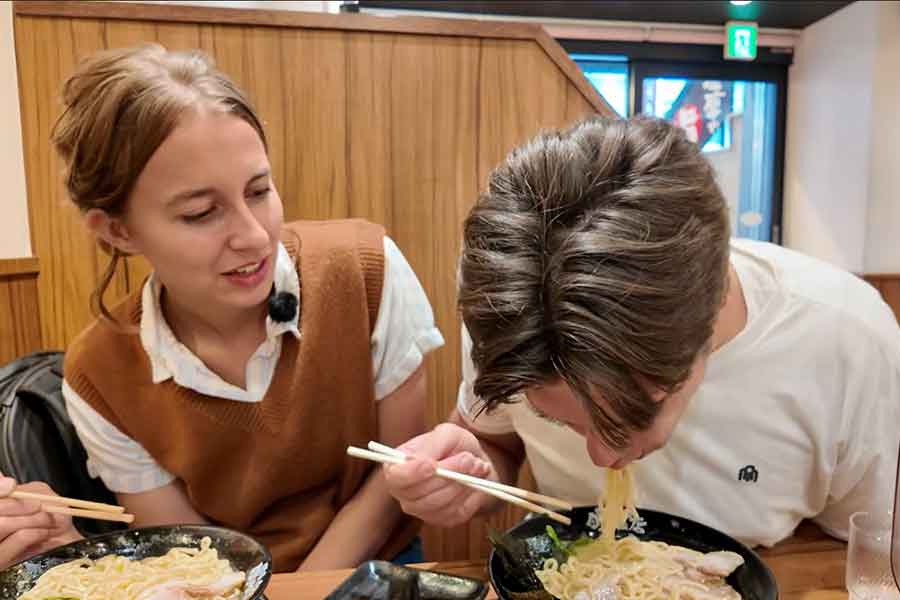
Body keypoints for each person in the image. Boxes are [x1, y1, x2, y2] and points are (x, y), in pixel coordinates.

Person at [0, 44, 444, 571]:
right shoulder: (99, 374)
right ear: (117, 231)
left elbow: (394, 474)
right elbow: (186, 549)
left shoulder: (366, 270)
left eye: (259, 190)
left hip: (372, 563)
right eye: (201, 213)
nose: (254, 237)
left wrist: (304, 589)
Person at [383, 115, 900, 548]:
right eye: (559, 421)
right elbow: (492, 442)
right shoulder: (515, 309)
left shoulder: (847, 343)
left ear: (715, 303)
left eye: (630, 418)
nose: (603, 459)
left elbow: (867, 551)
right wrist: (471, 476)